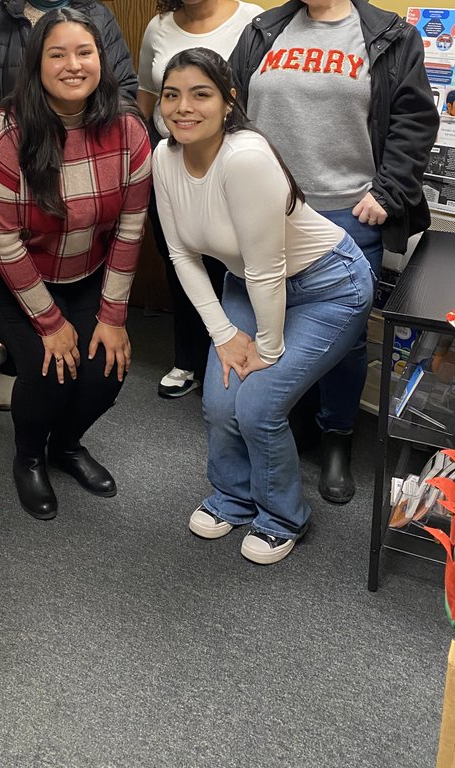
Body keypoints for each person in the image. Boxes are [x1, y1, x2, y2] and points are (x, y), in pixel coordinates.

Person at [230, 0, 437, 503]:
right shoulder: (265, 29)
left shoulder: (388, 36)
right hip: (270, 212)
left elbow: (413, 123)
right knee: (275, 321)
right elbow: (237, 110)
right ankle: (288, 423)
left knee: (343, 341)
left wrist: (388, 193)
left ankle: (338, 436)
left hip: (347, 216)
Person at [152, 47, 374, 563]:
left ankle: (281, 516)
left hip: (328, 286)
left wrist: (266, 351)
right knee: (221, 401)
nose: (184, 107)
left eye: (200, 94)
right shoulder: (163, 157)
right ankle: (232, 495)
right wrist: (225, 337)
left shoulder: (246, 157)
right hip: (246, 285)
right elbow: (182, 252)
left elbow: (267, 269)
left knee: (258, 403)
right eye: (172, 95)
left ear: (229, 101)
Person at [0, 8, 150, 520]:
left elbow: (130, 229)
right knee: (49, 370)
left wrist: (112, 317)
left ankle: (64, 447)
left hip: (84, 266)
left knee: (107, 370)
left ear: (102, 59)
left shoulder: (129, 130)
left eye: (84, 52)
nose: (73, 65)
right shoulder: (3, 132)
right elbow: (1, 239)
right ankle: (28, 458)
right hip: (8, 271)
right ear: (36, 65)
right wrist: (49, 324)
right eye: (58, 54)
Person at [0, 0, 138, 411]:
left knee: (66, 261)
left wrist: (87, 140)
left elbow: (125, 89)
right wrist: (8, 136)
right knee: (10, 250)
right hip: (13, 167)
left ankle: (55, 366)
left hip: (83, 168)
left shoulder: (97, 17)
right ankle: (15, 360)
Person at [137, 0, 261, 399]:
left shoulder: (252, 20)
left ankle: (231, 351)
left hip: (229, 162)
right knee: (181, 259)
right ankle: (187, 359)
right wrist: (151, 146)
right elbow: (146, 95)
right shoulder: (159, 26)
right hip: (173, 163)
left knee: (231, 261)